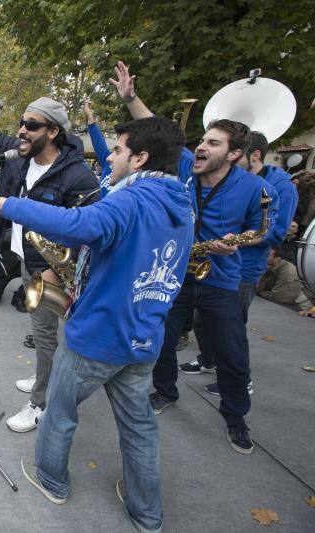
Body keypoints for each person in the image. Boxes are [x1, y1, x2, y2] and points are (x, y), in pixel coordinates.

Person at [0, 115, 193, 533]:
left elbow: (77, 226)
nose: (113, 158)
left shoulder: (132, 200)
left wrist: (6, 204)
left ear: (141, 159)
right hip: (144, 336)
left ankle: (51, 480)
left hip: (98, 335)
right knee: (139, 427)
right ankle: (147, 514)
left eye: (120, 151)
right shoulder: (181, 202)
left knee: (59, 410)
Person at [109, 60, 266, 453]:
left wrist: (238, 243)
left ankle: (235, 416)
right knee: (160, 341)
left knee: (231, 353)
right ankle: (165, 390)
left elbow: (267, 230)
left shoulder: (252, 188)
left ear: (233, 155)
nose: (201, 146)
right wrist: (131, 99)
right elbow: (163, 134)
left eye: (213, 143)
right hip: (177, 273)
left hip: (221, 280)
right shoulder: (185, 166)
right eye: (203, 141)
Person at [0, 66, 99, 433]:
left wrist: (57, 270)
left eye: (31, 125)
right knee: (42, 330)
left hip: (53, 269)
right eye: (22, 122)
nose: (22, 130)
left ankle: (41, 401)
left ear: (53, 132)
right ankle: (44, 377)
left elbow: (88, 230)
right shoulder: (19, 157)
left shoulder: (77, 174)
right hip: (27, 259)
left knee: (47, 333)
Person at [179, 131, 298, 391]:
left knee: (231, 334)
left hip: (244, 269)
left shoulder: (278, 187)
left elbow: (275, 232)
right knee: (201, 322)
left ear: (250, 155)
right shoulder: (217, 179)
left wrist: (237, 240)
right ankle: (208, 361)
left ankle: (239, 381)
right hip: (210, 266)